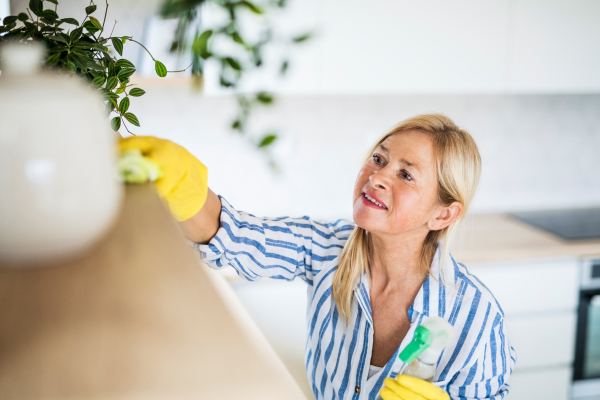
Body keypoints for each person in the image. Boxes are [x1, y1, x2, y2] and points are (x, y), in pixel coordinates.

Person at [120, 113, 516, 400]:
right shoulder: (326, 248)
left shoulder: (476, 315)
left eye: (406, 174)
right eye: (378, 159)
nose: (377, 176)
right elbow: (236, 238)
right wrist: (185, 186)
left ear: (444, 213)